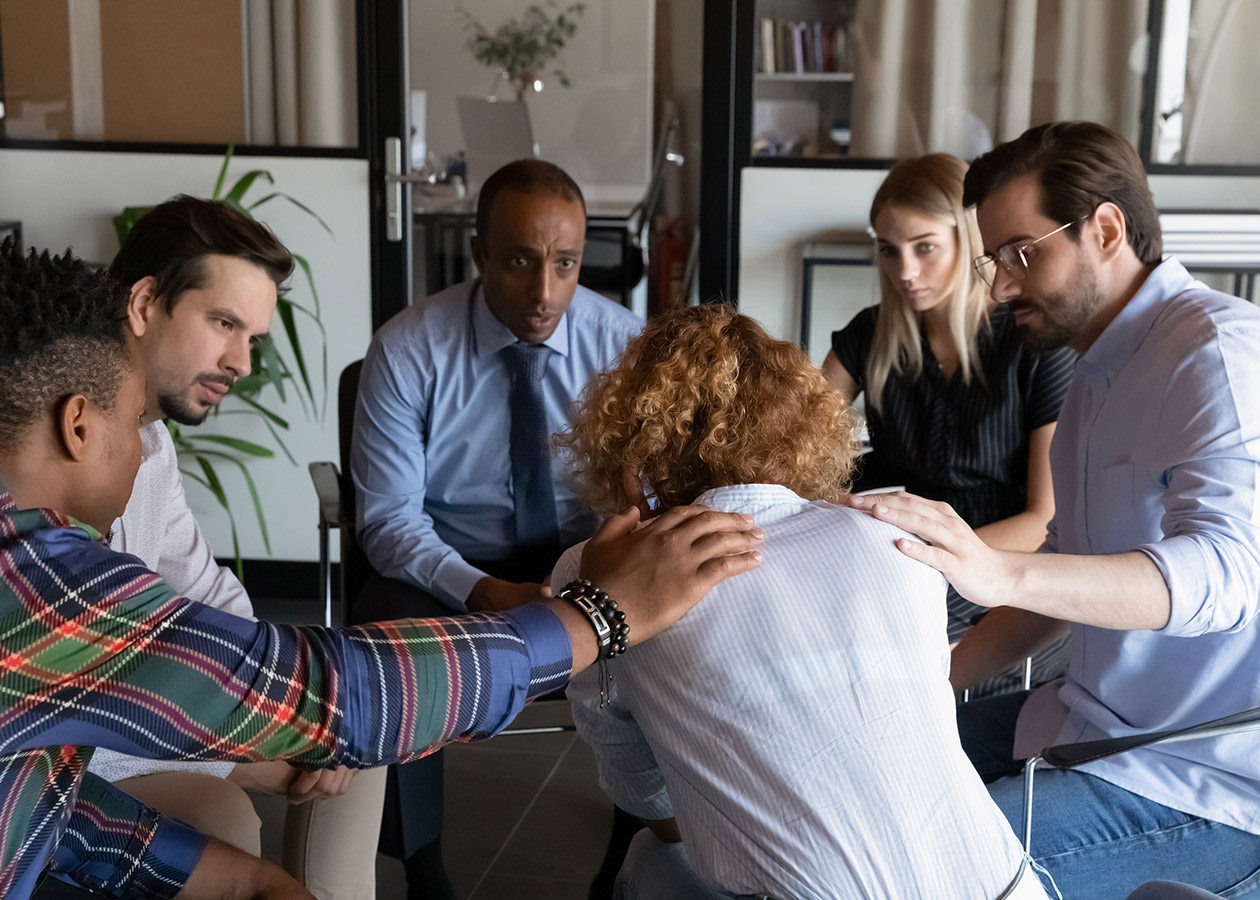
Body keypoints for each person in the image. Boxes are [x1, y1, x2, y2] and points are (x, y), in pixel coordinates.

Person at [0, 240, 763, 900]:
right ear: (77, 425)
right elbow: (345, 695)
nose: (145, 447)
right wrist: (595, 615)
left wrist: (241, 877)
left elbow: (39, 802)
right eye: (135, 424)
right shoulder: (35, 582)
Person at [854, 122, 1260, 899]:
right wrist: (930, 679)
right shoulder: (1091, 378)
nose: (1000, 286)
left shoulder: (1216, 354)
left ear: (1106, 230)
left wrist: (995, 570)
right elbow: (1061, 570)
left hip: (1197, 777)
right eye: (993, 260)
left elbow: (1227, 575)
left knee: (923, 866)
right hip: (1084, 724)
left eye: (1019, 254)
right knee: (865, 771)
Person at [552, 305, 1048, 900]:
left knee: (650, 856)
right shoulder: (891, 538)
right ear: (802, 421)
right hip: (1008, 884)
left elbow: (644, 796)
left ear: (632, 442)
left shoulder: (602, 572)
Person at [351, 158, 642, 895]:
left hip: (587, 555)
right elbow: (388, 520)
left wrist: (599, 571)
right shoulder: (408, 348)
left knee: (678, 622)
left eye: (566, 264)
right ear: (479, 254)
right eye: (519, 261)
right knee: (390, 637)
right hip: (451, 563)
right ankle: (424, 869)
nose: (545, 292)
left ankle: (631, 857)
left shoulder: (626, 346)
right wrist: (483, 590)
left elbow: (646, 494)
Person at [82, 195, 385, 900]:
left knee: (357, 732)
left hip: (152, 706)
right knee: (225, 813)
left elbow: (210, 595)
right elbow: (57, 694)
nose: (241, 361)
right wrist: (230, 754)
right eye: (223, 324)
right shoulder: (48, 456)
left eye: (252, 338)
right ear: (145, 303)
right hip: (69, 743)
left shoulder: (151, 445)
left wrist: (299, 697)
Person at [822, 154, 1076, 693]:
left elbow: (1043, 520)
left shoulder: (1033, 343)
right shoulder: (870, 335)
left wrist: (934, 564)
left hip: (996, 564)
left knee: (872, 664)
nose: (905, 272)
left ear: (969, 238)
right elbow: (791, 440)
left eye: (925, 247)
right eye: (889, 251)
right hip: (897, 557)